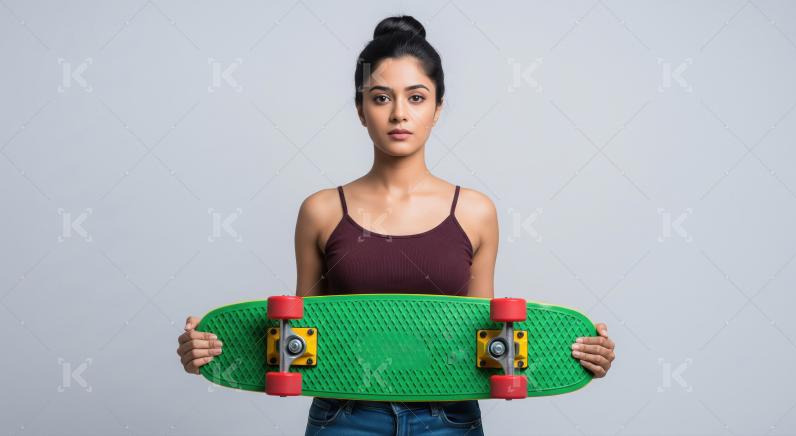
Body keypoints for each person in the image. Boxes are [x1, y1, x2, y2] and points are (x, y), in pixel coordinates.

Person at [177, 14, 616, 435]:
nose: (399, 113)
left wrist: (577, 353)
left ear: (438, 108)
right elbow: (298, 341)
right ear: (360, 109)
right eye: (381, 97)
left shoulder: (476, 212)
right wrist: (212, 347)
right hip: (343, 415)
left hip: (449, 417)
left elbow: (484, 344)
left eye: (417, 96)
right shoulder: (321, 211)